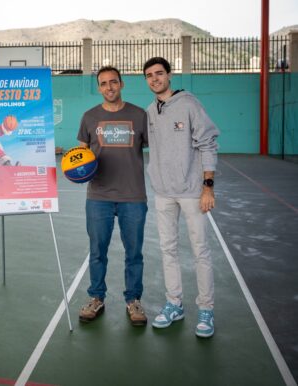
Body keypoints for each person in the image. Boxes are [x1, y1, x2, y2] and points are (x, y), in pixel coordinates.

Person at [142, 57, 219, 338]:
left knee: (200, 251)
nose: (154, 79)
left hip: (191, 192)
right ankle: (175, 304)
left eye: (159, 74)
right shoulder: (150, 111)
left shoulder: (188, 104)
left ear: (169, 75)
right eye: (149, 75)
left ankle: (206, 310)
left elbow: (208, 142)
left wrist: (207, 186)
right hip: (164, 193)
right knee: (168, 250)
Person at [77, 66, 149, 326]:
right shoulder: (89, 117)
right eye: (104, 83)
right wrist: (77, 171)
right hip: (98, 196)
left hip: (133, 196)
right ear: (99, 87)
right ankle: (96, 297)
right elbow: (81, 154)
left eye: (113, 82)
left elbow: (157, 149)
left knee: (134, 253)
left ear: (121, 84)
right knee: (97, 251)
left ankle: (133, 300)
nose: (109, 87)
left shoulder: (139, 115)